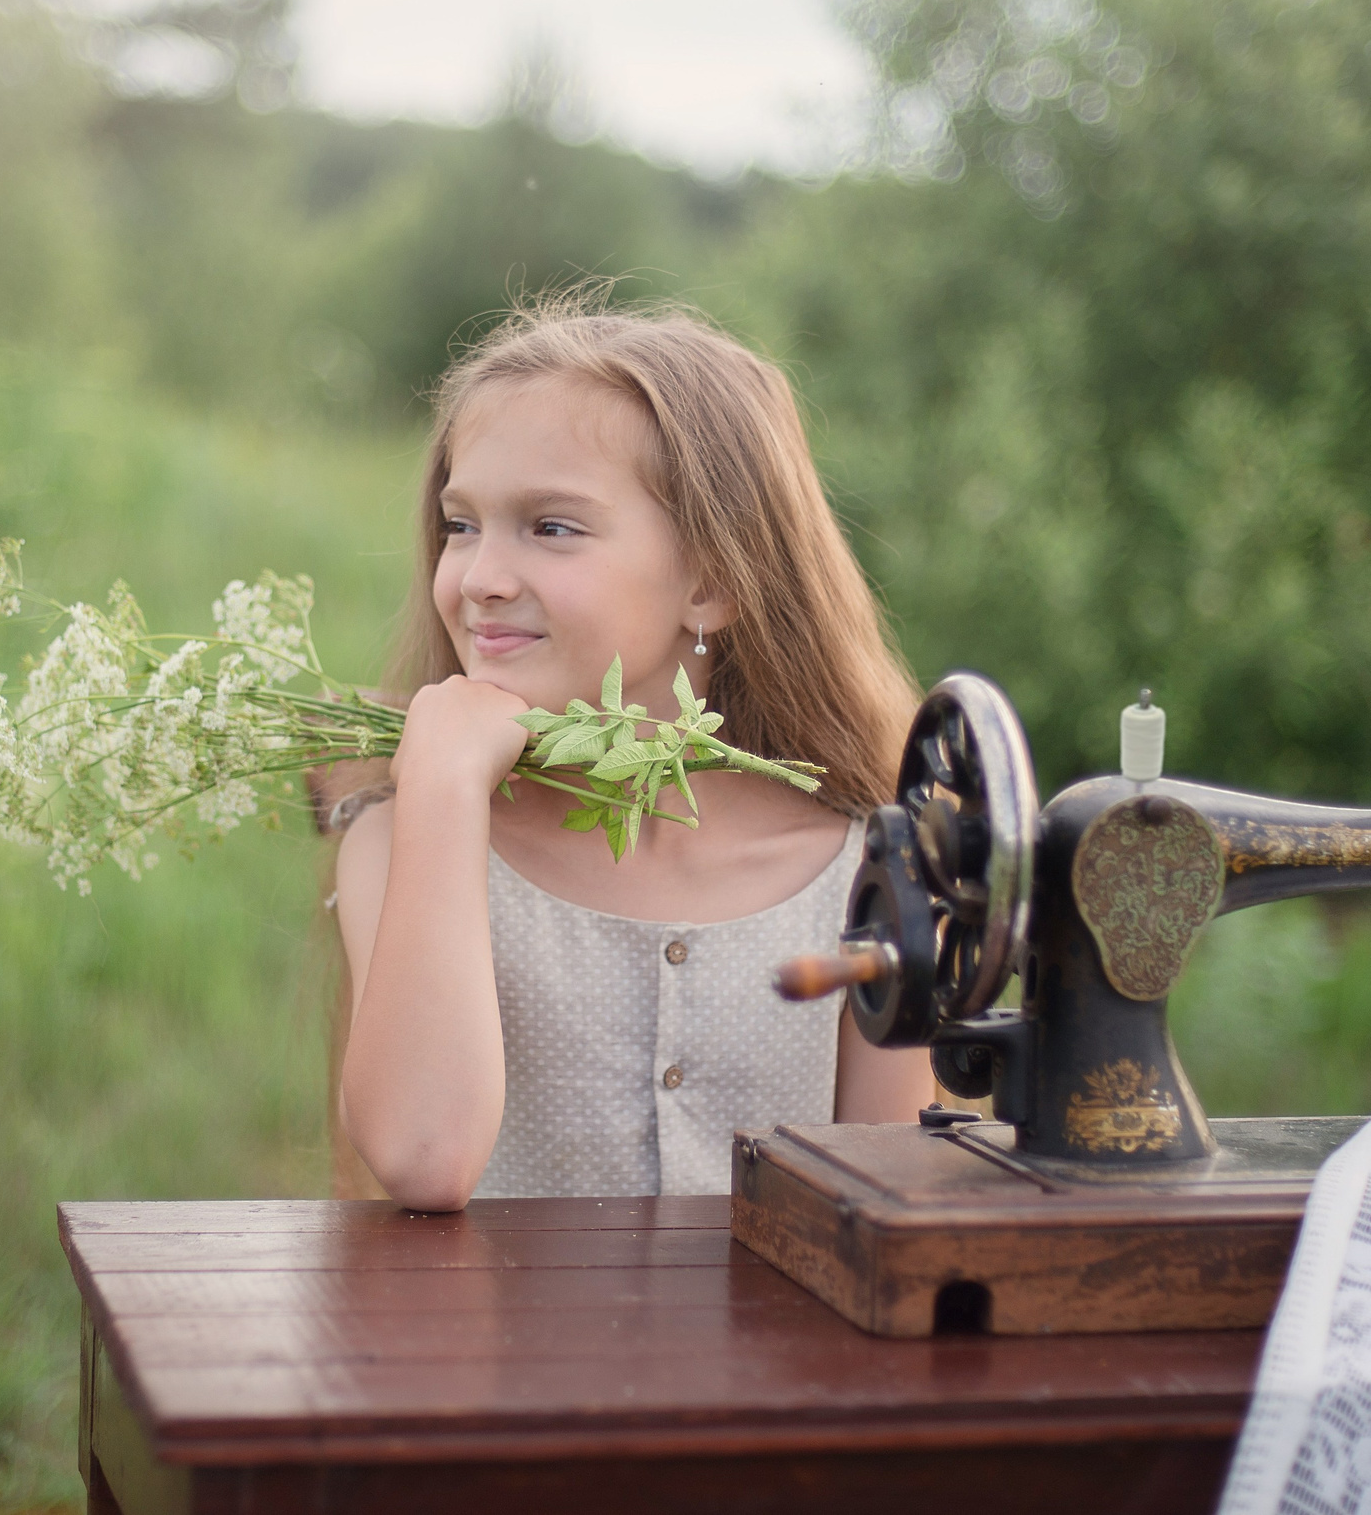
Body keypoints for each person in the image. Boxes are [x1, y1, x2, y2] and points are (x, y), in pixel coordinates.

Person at [332, 298, 935, 1211]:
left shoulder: (863, 869)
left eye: (551, 527)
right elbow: (424, 1156)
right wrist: (446, 788)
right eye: (461, 525)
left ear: (711, 579)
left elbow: (894, 1208)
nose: (481, 578)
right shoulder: (403, 836)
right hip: (491, 1357)